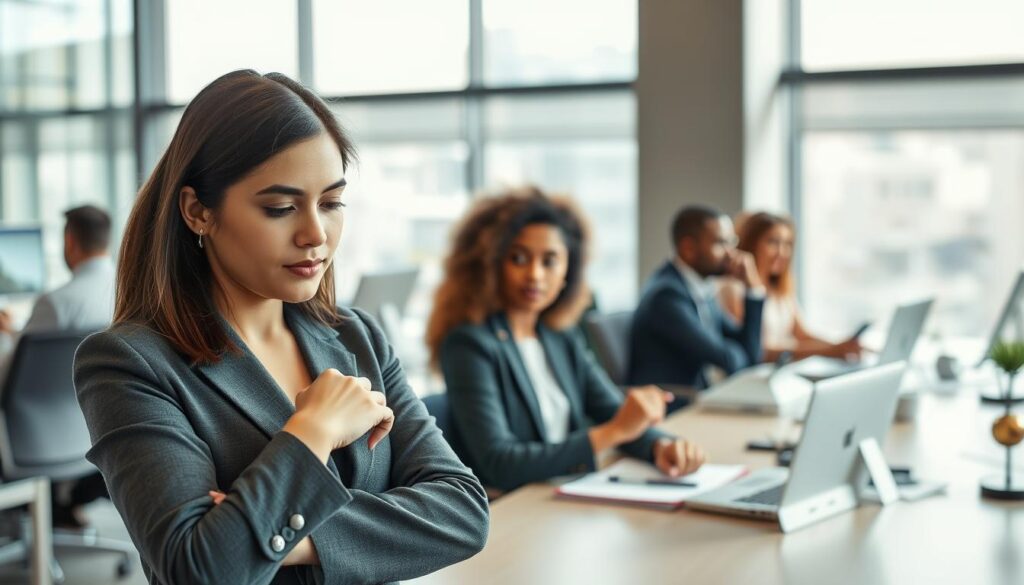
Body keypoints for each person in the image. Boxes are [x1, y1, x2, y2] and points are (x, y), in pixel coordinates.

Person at [73, 70, 488, 585]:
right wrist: (312, 430)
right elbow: (200, 569)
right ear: (198, 211)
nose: (315, 233)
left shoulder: (359, 336)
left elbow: (463, 510)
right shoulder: (128, 363)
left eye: (332, 203)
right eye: (280, 208)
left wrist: (284, 540)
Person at [426, 187, 705, 493]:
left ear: (567, 272)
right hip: (510, 505)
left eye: (549, 261)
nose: (535, 274)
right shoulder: (469, 344)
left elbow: (614, 412)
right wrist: (612, 433)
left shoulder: (560, 337)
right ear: (491, 264)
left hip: (564, 493)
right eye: (518, 258)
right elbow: (500, 463)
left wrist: (661, 446)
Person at [0, 205, 114, 527]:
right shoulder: (126, 290)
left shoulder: (55, 303)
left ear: (70, 242)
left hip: (37, 442)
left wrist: (9, 340)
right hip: (97, 430)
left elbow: (12, 377)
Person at [629, 205, 765, 391]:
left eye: (731, 242)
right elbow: (728, 359)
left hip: (699, 399)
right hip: (675, 407)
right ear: (688, 248)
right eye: (720, 244)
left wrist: (753, 291)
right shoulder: (667, 296)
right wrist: (741, 355)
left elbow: (747, 353)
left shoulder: (701, 288)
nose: (731, 253)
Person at [719, 211, 861, 363]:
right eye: (773, 242)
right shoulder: (734, 289)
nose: (782, 252)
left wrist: (842, 347)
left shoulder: (780, 291)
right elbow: (755, 350)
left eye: (787, 244)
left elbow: (803, 336)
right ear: (752, 243)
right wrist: (828, 351)